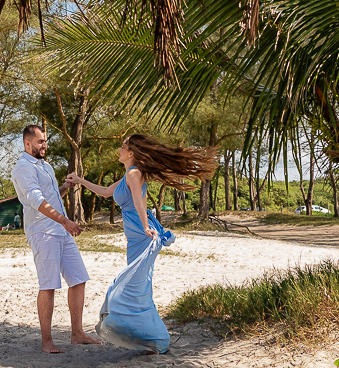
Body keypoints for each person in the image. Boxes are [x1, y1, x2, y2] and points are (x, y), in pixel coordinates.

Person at [67, 134, 217, 354]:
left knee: (135, 287)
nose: (119, 149)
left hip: (142, 235)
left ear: (131, 153)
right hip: (135, 239)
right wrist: (80, 181)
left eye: (122, 146)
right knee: (137, 287)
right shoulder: (129, 174)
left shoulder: (135, 174)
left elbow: (139, 202)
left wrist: (146, 227)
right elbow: (107, 191)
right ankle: (149, 339)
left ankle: (156, 339)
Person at [11, 124, 102, 353]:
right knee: (49, 284)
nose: (44, 145)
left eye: (45, 140)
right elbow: (37, 201)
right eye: (40, 141)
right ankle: (47, 341)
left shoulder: (46, 166)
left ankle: (77, 333)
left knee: (78, 278)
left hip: (60, 231)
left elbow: (50, 196)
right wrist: (65, 221)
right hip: (43, 233)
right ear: (27, 143)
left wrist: (64, 187)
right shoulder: (23, 168)